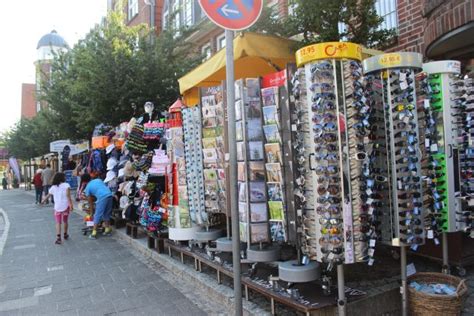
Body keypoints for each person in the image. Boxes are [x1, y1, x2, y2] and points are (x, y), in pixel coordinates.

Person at [42, 172, 73, 245]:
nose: (65, 178)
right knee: (65, 221)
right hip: (65, 206)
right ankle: (65, 234)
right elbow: (68, 196)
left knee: (58, 222)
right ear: (62, 178)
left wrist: (43, 200)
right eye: (64, 177)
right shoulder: (66, 185)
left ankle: (58, 237)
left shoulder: (53, 187)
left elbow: (48, 195)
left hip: (57, 207)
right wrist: (71, 205)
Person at [81, 174, 113, 239]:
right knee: (106, 214)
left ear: (84, 182)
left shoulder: (88, 187)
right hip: (110, 195)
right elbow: (102, 188)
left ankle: (94, 233)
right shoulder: (98, 180)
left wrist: (91, 212)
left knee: (97, 215)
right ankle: (107, 230)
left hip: (102, 197)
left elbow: (90, 202)